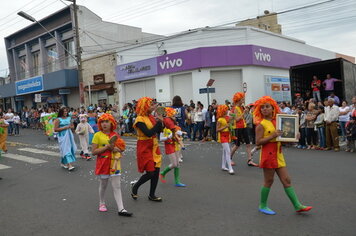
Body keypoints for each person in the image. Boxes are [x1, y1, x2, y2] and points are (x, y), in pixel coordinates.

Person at [254, 96, 312, 215]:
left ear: (273, 108)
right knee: (269, 181)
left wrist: (294, 137)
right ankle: (263, 205)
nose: (264, 109)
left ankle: (297, 205)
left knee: (287, 180)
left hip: (278, 154)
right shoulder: (261, 124)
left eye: (267, 106)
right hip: (268, 154)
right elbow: (258, 142)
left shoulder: (279, 121)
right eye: (262, 107)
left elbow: (283, 139)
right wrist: (272, 136)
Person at [92, 113, 132, 217]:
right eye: (102, 122)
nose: (104, 124)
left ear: (111, 123)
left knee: (117, 186)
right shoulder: (97, 135)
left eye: (107, 122)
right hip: (103, 164)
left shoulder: (116, 135)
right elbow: (94, 151)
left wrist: (116, 149)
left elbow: (122, 148)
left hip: (115, 163)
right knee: (103, 185)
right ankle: (101, 202)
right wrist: (106, 147)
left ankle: (121, 209)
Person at [131, 97, 164, 202]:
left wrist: (161, 121)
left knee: (156, 170)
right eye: (150, 105)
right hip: (144, 146)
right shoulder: (139, 119)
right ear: (144, 106)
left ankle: (152, 195)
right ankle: (135, 187)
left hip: (154, 145)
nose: (152, 106)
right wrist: (159, 123)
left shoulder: (151, 117)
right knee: (150, 172)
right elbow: (148, 133)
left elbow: (159, 131)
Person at [159, 107, 186, 186]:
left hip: (175, 145)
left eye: (175, 116)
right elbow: (160, 139)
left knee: (177, 164)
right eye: (173, 116)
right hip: (169, 146)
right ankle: (163, 173)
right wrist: (169, 137)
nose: (175, 117)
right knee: (174, 164)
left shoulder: (173, 124)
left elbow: (177, 131)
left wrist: (181, 133)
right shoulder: (163, 125)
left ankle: (177, 182)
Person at [230, 92, 257, 167]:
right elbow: (237, 119)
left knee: (248, 144)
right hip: (238, 128)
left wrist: (245, 112)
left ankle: (249, 160)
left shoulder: (241, 107)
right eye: (242, 99)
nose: (243, 100)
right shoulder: (235, 108)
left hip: (244, 127)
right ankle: (228, 158)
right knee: (237, 145)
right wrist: (243, 113)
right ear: (238, 100)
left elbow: (242, 118)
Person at [216, 105, 234, 175]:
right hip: (222, 136)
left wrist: (233, 117)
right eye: (226, 110)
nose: (227, 111)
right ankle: (230, 168)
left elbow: (232, 120)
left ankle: (223, 166)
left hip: (227, 135)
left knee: (224, 151)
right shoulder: (220, 119)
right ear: (223, 111)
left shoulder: (227, 117)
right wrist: (225, 126)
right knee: (228, 151)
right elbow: (217, 130)